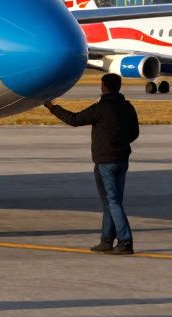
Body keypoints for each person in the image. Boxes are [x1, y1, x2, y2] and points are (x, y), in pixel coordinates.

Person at [44, 72, 140, 255]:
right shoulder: (127, 107)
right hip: (122, 159)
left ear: (104, 86)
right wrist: (121, 143)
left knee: (112, 202)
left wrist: (52, 108)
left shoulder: (100, 108)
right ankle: (106, 240)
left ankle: (125, 241)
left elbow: (74, 119)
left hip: (105, 161)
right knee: (112, 201)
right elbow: (134, 132)